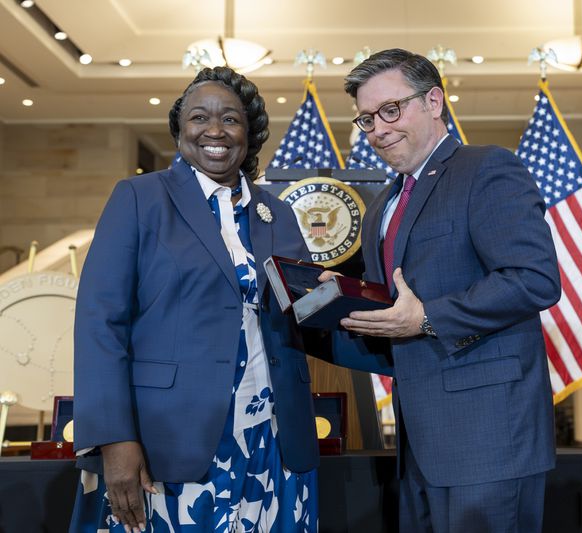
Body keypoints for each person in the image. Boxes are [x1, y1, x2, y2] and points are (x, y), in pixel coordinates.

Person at [69, 66, 388, 533]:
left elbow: (302, 321)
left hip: (274, 439)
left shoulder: (276, 213)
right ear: (180, 129)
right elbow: (100, 324)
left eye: (231, 119)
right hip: (171, 443)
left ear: (250, 133)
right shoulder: (140, 199)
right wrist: (115, 440)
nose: (215, 130)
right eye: (199, 117)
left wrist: (401, 338)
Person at [339, 49, 561, 532]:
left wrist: (427, 318)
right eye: (366, 119)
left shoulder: (487, 169)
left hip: (489, 437)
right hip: (418, 438)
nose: (378, 129)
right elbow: (393, 300)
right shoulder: (384, 204)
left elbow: (534, 278)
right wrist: (335, 294)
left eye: (390, 110)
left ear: (434, 101)